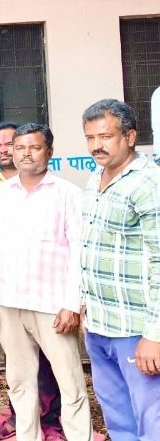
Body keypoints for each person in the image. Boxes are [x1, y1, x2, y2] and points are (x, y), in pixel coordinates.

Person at [0, 124, 93, 441]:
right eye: (20, 147)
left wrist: (72, 304)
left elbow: (79, 252)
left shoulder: (67, 193)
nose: (26, 154)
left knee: (70, 383)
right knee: (19, 382)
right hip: (10, 304)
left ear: (49, 152)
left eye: (35, 147)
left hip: (53, 306)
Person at [80, 99, 160, 441]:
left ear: (129, 137)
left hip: (136, 329)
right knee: (117, 419)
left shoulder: (149, 184)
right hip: (99, 325)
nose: (96, 145)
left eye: (105, 136)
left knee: (151, 420)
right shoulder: (94, 179)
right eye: (90, 137)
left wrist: (154, 335)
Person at [0, 121, 65, 440]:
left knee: (54, 370)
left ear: (46, 150)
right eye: (1, 146)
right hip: (10, 297)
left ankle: (53, 422)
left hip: (49, 298)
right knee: (19, 370)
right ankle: (24, 424)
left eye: (13, 144)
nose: (9, 150)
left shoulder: (60, 191)